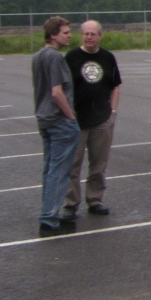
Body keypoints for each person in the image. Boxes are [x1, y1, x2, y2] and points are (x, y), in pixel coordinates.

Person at [61, 20, 121, 219]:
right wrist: (68, 113)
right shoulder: (71, 57)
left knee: (98, 164)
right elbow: (63, 88)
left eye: (93, 34)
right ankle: (71, 203)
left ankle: (95, 200)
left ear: (100, 36)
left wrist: (112, 112)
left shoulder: (107, 58)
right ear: (81, 35)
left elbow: (115, 86)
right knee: (72, 164)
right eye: (86, 33)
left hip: (102, 120)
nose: (89, 37)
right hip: (76, 120)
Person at [31, 16, 81, 236]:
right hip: (59, 121)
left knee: (49, 169)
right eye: (65, 32)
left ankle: (49, 213)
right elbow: (56, 91)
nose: (69, 35)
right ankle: (49, 218)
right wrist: (70, 116)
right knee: (59, 171)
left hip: (44, 119)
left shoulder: (38, 56)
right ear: (53, 35)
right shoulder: (54, 57)